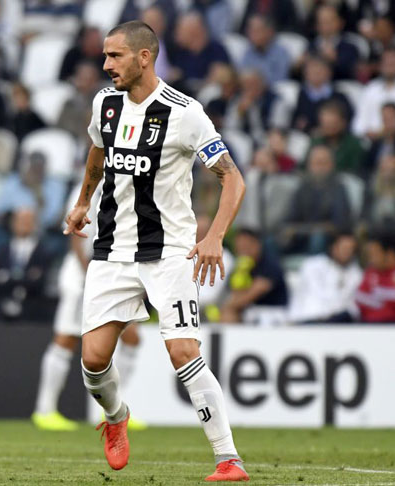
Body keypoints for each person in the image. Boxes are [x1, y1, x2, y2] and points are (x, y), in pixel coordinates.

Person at [63, 21, 248, 481]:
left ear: (144, 57)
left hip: (169, 253)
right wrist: (84, 201)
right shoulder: (105, 103)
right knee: (92, 360)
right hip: (112, 250)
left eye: (115, 56)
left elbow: (232, 177)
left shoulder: (184, 113)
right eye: (105, 56)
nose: (106, 66)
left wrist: (215, 235)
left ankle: (228, 458)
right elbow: (98, 150)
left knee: (183, 350)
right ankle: (116, 417)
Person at [32, 181, 145, 432]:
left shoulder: (128, 177)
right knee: (67, 338)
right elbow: (74, 232)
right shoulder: (92, 184)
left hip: (115, 270)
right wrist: (88, 274)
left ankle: (114, 410)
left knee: (132, 338)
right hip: (84, 273)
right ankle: (45, 409)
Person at [0, 207, 50, 321]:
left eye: (28, 221)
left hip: (33, 316)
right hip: (1, 314)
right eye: (20, 220)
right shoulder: (3, 249)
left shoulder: (42, 251)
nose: (24, 224)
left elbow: (40, 283)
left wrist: (7, 278)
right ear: (12, 223)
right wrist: (26, 278)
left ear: (35, 224)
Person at [288, 232, 363, 323]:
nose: (347, 252)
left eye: (351, 249)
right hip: (306, 320)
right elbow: (318, 297)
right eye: (344, 248)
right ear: (333, 247)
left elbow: (352, 306)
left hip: (335, 323)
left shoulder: (356, 273)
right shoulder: (313, 265)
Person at [220, 228, 288, 323]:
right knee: (229, 314)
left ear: (257, 244)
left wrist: (227, 306)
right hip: (251, 311)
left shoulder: (269, 264)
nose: (243, 251)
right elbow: (234, 294)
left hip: (272, 312)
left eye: (246, 247)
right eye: (240, 248)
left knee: (229, 311)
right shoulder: (240, 266)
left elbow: (252, 294)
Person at [356, 230, 395, 322]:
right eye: (370, 254)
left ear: (390, 254)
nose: (371, 259)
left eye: (375, 253)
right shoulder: (371, 273)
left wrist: (380, 294)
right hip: (371, 327)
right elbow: (359, 298)